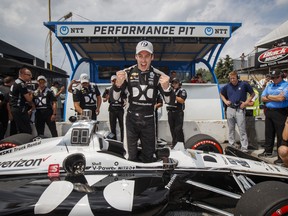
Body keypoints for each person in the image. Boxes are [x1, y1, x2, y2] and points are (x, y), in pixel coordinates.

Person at [113, 40, 175, 163]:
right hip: (131, 120)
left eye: (147, 56)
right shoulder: (127, 73)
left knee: (149, 157)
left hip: (149, 120)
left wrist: (167, 88)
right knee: (130, 157)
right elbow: (114, 98)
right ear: (135, 56)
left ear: (152, 57)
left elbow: (170, 102)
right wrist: (117, 85)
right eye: (140, 56)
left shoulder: (159, 75)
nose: (143, 60)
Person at [258, 69, 288, 165]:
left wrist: (269, 96)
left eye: (276, 77)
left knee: (280, 135)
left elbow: (282, 98)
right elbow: (262, 97)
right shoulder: (269, 85)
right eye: (272, 77)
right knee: (269, 133)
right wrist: (274, 97)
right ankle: (268, 151)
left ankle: (280, 157)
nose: (274, 79)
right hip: (269, 111)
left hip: (280, 112)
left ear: (281, 76)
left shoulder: (286, 85)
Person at [220, 71, 255, 153]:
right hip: (230, 109)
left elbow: (252, 94)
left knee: (242, 129)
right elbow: (221, 94)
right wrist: (225, 101)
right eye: (231, 78)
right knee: (231, 129)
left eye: (234, 78)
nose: (232, 80)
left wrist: (246, 103)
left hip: (240, 109)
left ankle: (244, 147)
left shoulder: (243, 84)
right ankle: (231, 144)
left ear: (237, 77)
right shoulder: (227, 86)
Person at [9, 67, 34, 134]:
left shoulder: (15, 82)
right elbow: (29, 99)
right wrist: (32, 94)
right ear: (23, 74)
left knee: (17, 129)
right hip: (20, 109)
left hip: (14, 109)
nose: (30, 77)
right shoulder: (21, 84)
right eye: (29, 75)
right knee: (27, 130)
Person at [102, 75, 125, 141]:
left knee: (122, 125)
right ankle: (114, 140)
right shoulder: (108, 89)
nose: (114, 82)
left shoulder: (122, 88)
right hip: (112, 109)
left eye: (115, 80)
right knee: (113, 126)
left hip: (120, 109)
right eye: (113, 81)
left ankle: (123, 140)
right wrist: (107, 97)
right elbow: (104, 99)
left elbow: (125, 97)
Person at [166, 78, 187, 147]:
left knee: (178, 129)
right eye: (173, 83)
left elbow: (182, 100)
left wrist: (173, 96)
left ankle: (181, 145)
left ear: (179, 83)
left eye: (176, 83)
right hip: (170, 112)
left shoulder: (182, 91)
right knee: (172, 129)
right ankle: (174, 144)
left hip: (178, 112)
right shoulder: (171, 91)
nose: (174, 84)